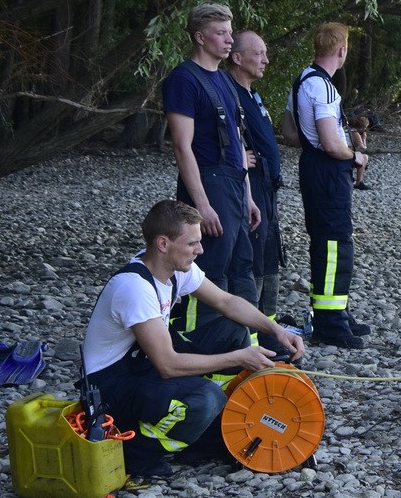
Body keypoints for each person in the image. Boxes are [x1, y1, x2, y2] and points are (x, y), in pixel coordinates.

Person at [81, 200, 305, 479]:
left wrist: (277, 330)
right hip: (111, 386)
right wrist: (240, 357)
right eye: (192, 244)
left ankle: (202, 427)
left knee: (232, 332)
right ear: (163, 244)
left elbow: (226, 302)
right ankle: (139, 452)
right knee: (206, 397)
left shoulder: (172, 270)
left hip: (141, 363)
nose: (200, 250)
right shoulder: (135, 288)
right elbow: (168, 365)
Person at [162, 3, 259, 337]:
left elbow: (237, 142)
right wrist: (201, 205)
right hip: (207, 183)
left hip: (233, 185)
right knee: (206, 270)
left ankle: (248, 348)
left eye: (230, 32)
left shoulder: (225, 80)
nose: (229, 40)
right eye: (221, 33)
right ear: (200, 37)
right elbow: (181, 145)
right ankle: (196, 344)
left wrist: (247, 197)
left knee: (241, 267)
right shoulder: (184, 79)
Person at [282, 22, 371, 348]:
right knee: (336, 246)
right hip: (328, 169)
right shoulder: (325, 88)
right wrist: (355, 158)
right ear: (341, 50)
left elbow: (291, 134)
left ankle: (336, 312)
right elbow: (332, 143)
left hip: (311, 166)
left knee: (326, 242)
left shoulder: (302, 81)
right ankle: (330, 323)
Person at [228, 31, 285, 321]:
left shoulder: (253, 95)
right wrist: (239, 157)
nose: (266, 59)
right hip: (250, 189)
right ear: (237, 58)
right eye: (259, 53)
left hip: (267, 188)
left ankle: (269, 322)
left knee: (269, 253)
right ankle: (251, 326)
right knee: (254, 254)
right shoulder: (230, 93)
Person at [348, 115, 372, 190]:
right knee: (365, 156)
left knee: (363, 156)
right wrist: (364, 138)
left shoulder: (351, 130)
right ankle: (359, 182)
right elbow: (364, 148)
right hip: (347, 153)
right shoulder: (355, 133)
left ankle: (357, 181)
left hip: (347, 151)